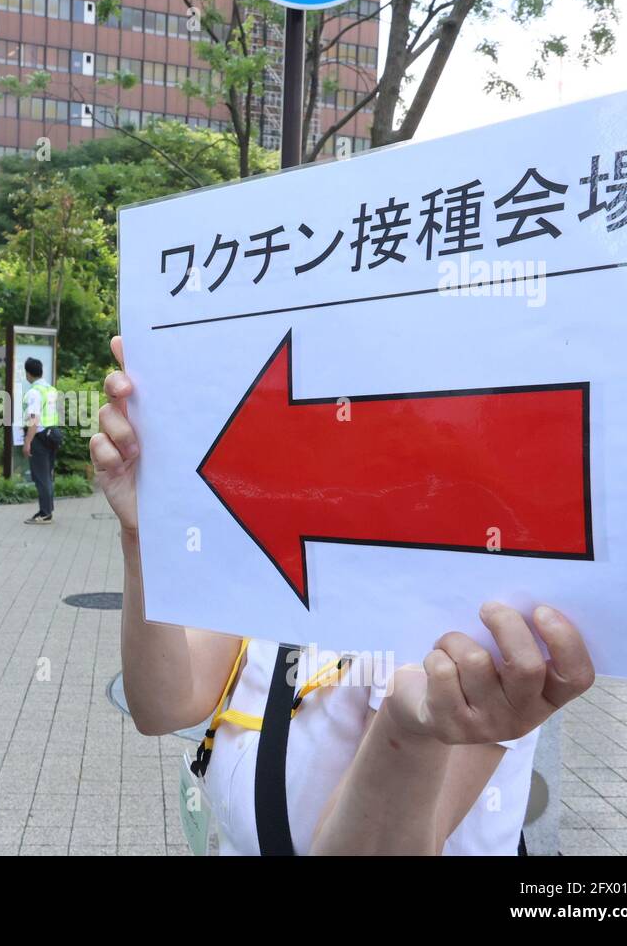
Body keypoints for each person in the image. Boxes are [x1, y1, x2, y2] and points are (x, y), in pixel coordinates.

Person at [88, 335, 596, 855]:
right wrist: (143, 540)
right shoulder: (288, 529)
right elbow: (163, 705)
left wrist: (410, 727)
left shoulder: (479, 582)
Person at [22, 357, 61, 524]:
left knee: (41, 476)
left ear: (28, 373)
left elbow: (34, 419)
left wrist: (27, 442)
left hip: (40, 436)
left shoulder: (34, 392)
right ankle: (47, 510)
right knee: (47, 474)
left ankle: (45, 514)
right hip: (54, 434)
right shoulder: (51, 390)